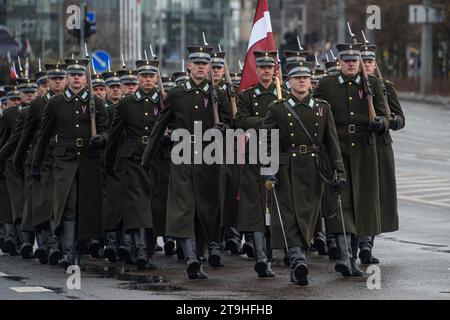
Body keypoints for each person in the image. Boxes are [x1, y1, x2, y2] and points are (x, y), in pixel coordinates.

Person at [142, 45, 231, 279]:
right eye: (197, 63)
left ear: (210, 67)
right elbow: (160, 126)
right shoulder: (177, 94)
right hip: (182, 155)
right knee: (184, 208)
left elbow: (233, 125)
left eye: (205, 63)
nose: (201, 67)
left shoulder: (217, 94)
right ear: (188, 66)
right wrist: (147, 158)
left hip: (210, 157)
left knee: (206, 210)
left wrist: (224, 129)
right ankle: (191, 258)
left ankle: (198, 257)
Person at [314, 42, 388, 277]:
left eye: (354, 61)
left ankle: (354, 256)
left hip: (365, 150)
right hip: (337, 147)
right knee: (341, 202)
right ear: (340, 62)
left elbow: (384, 113)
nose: (351, 65)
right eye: (346, 61)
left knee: (362, 203)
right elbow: (316, 111)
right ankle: (345, 257)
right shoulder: (327, 84)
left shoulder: (372, 83)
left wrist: (381, 123)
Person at [32, 58, 109, 269]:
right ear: (67, 78)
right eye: (73, 75)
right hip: (64, 160)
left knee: (85, 208)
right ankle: (67, 253)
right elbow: (43, 135)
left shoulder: (95, 102)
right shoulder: (55, 103)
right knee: (67, 206)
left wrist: (101, 138)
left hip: (88, 159)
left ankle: (78, 250)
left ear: (86, 78)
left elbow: (105, 129)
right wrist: (35, 164)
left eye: (80, 75)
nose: (76, 78)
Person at [234, 50, 288, 278]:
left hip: (279, 155)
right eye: (262, 67)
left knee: (276, 206)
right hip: (255, 154)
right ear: (256, 70)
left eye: (270, 67)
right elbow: (239, 121)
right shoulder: (247, 96)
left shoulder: (283, 94)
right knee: (256, 206)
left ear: (274, 69)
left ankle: (278, 252)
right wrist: (269, 121)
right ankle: (261, 258)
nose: (266, 71)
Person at [359, 43, 405, 264]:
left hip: (381, 146)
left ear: (374, 63)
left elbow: (400, 118)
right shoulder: (351, 87)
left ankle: (367, 244)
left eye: (369, 62)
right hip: (359, 145)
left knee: (377, 195)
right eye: (363, 61)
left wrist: (389, 122)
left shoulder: (385, 87)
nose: (366, 65)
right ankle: (356, 242)